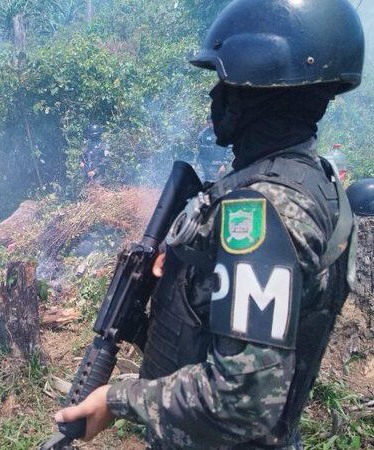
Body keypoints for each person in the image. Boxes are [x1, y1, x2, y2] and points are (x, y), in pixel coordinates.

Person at [54, 0, 364, 449]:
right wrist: (180, 286)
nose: (216, 96)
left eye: (227, 82)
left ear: (262, 90)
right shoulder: (310, 180)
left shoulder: (264, 209)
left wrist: (118, 399)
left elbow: (243, 399)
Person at [197, 116, 232, 180]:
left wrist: (224, 165)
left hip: (218, 165)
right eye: (209, 122)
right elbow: (199, 148)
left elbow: (229, 149)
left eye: (212, 122)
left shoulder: (223, 132)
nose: (211, 125)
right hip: (205, 164)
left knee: (217, 185)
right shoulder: (203, 134)